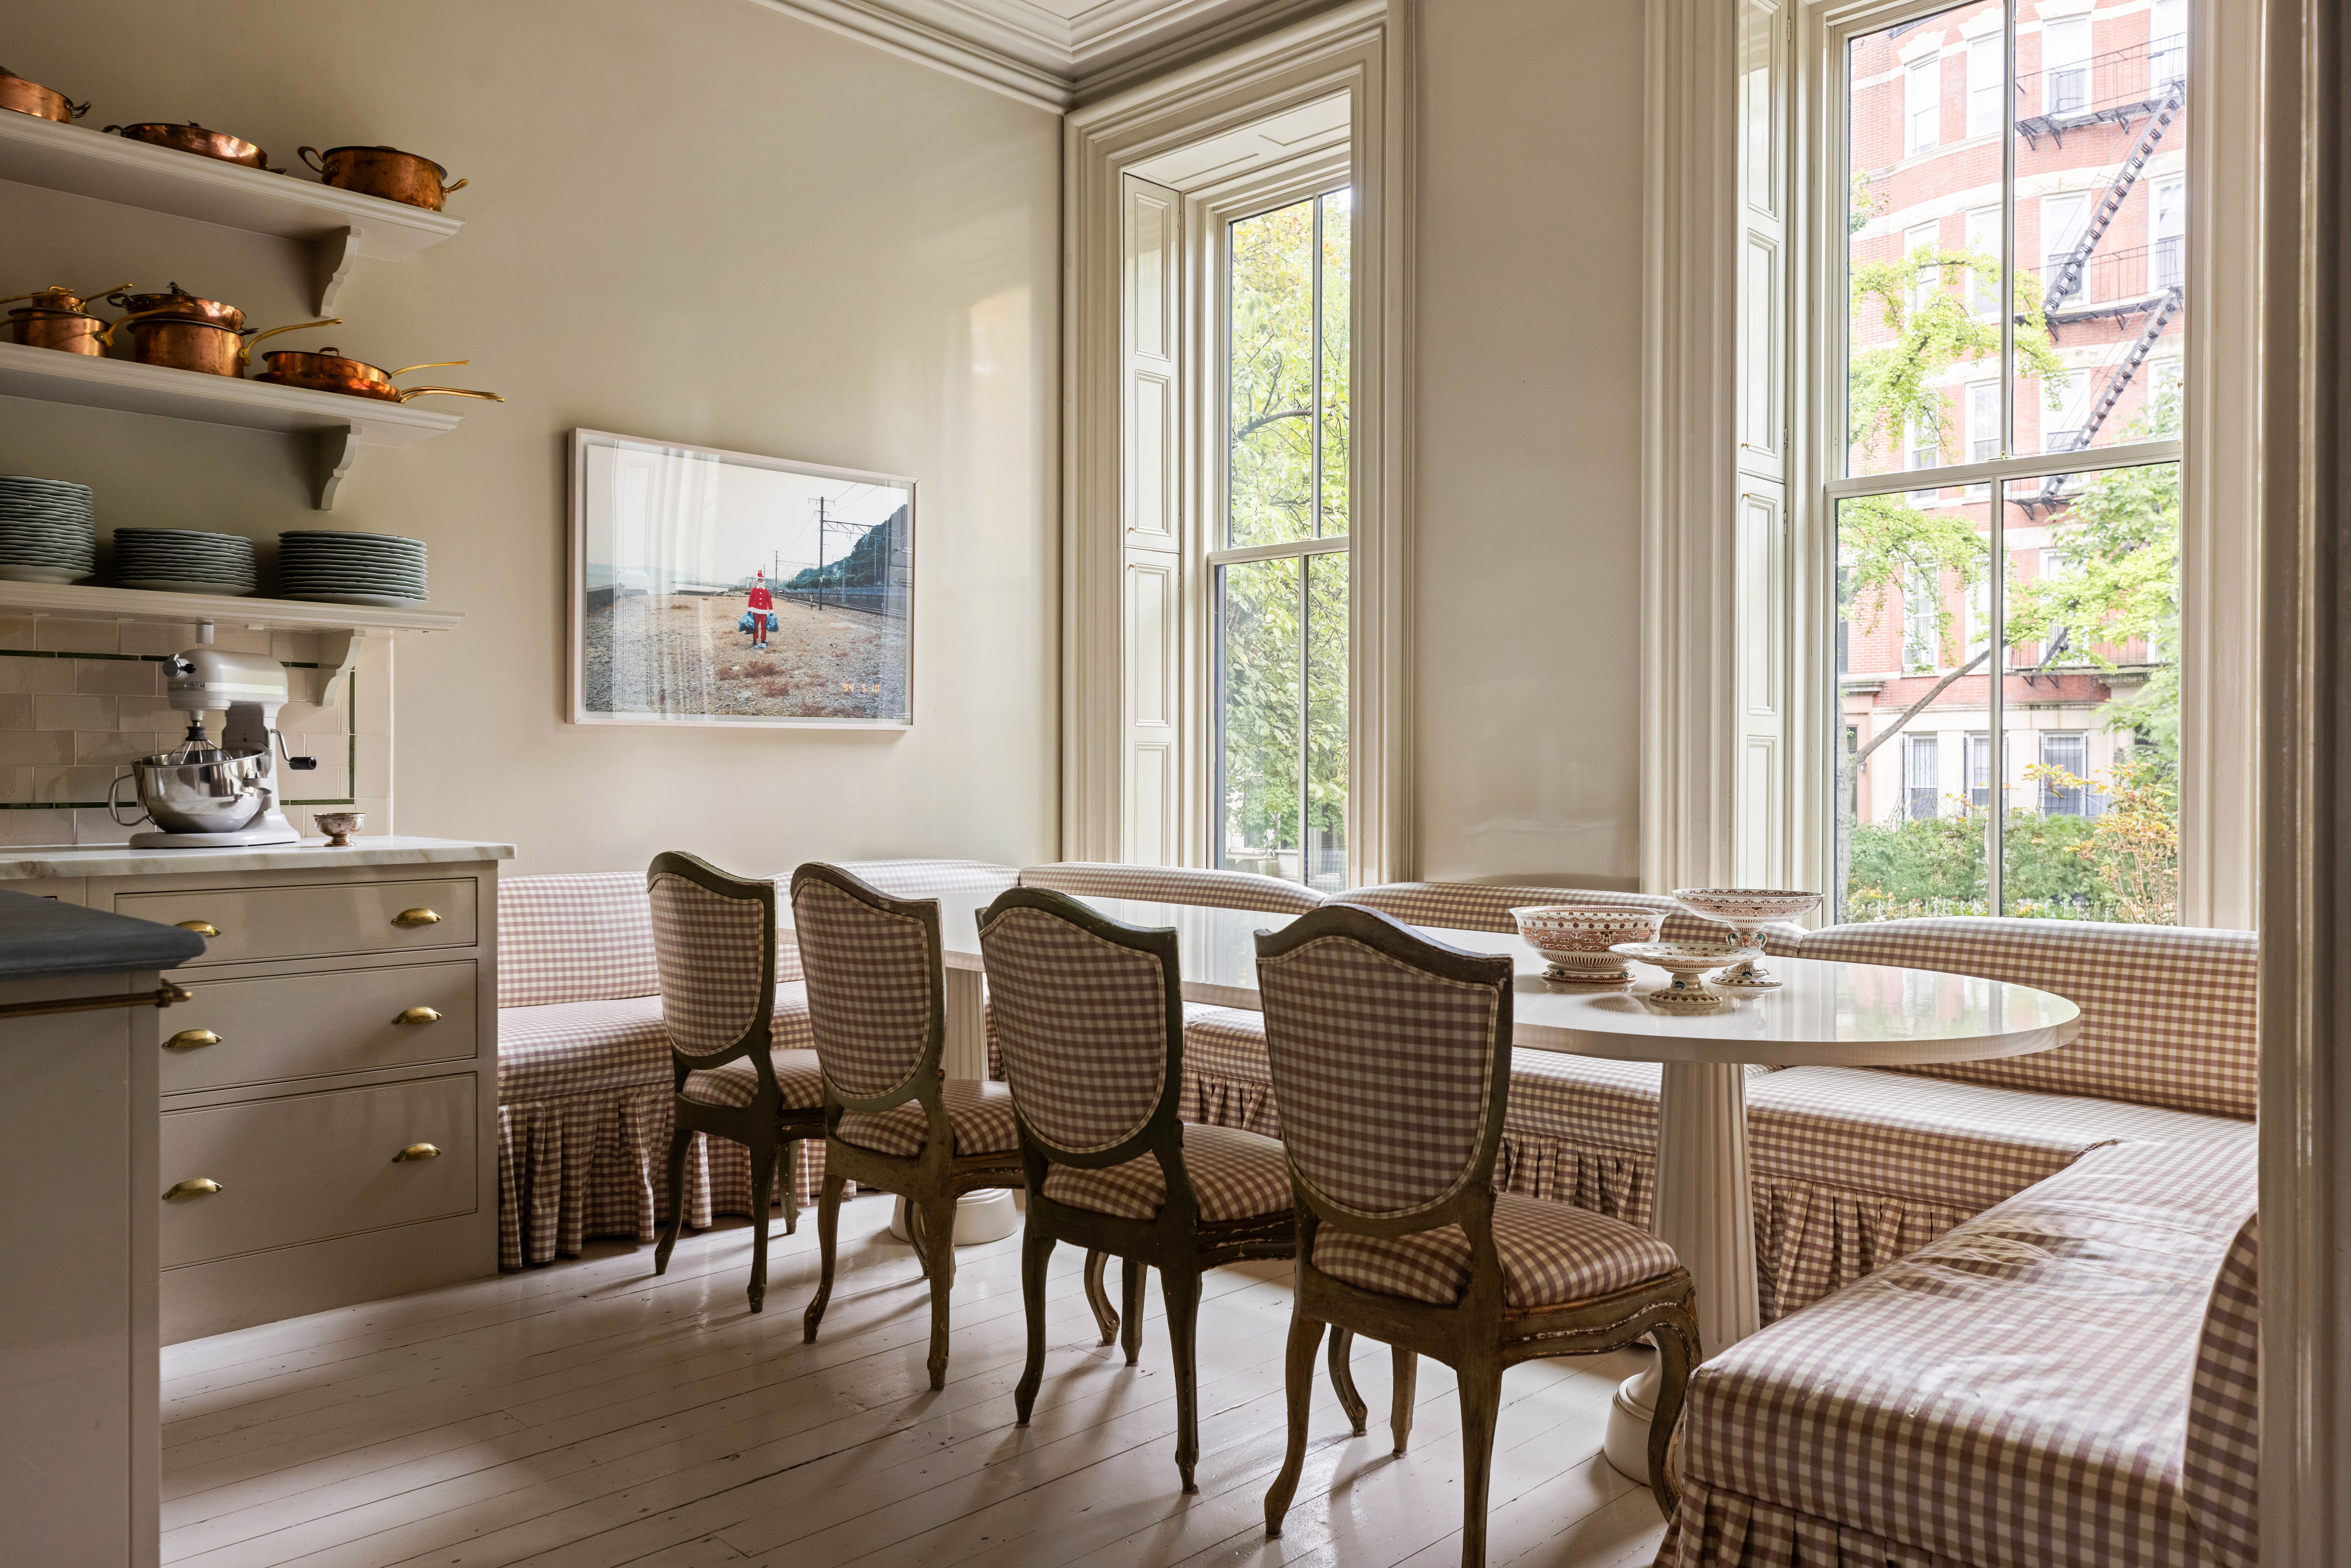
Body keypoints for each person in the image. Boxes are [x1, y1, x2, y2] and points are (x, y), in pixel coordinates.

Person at [745, 569, 774, 651]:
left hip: (764, 611)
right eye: (759, 580)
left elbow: (769, 601)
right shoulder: (755, 590)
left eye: (762, 580)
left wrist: (771, 611)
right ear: (758, 581)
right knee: (756, 626)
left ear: (763, 581)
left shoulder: (766, 591)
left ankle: (763, 640)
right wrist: (749, 609)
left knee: (764, 626)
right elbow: (751, 599)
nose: (761, 581)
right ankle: (755, 639)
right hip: (756, 611)